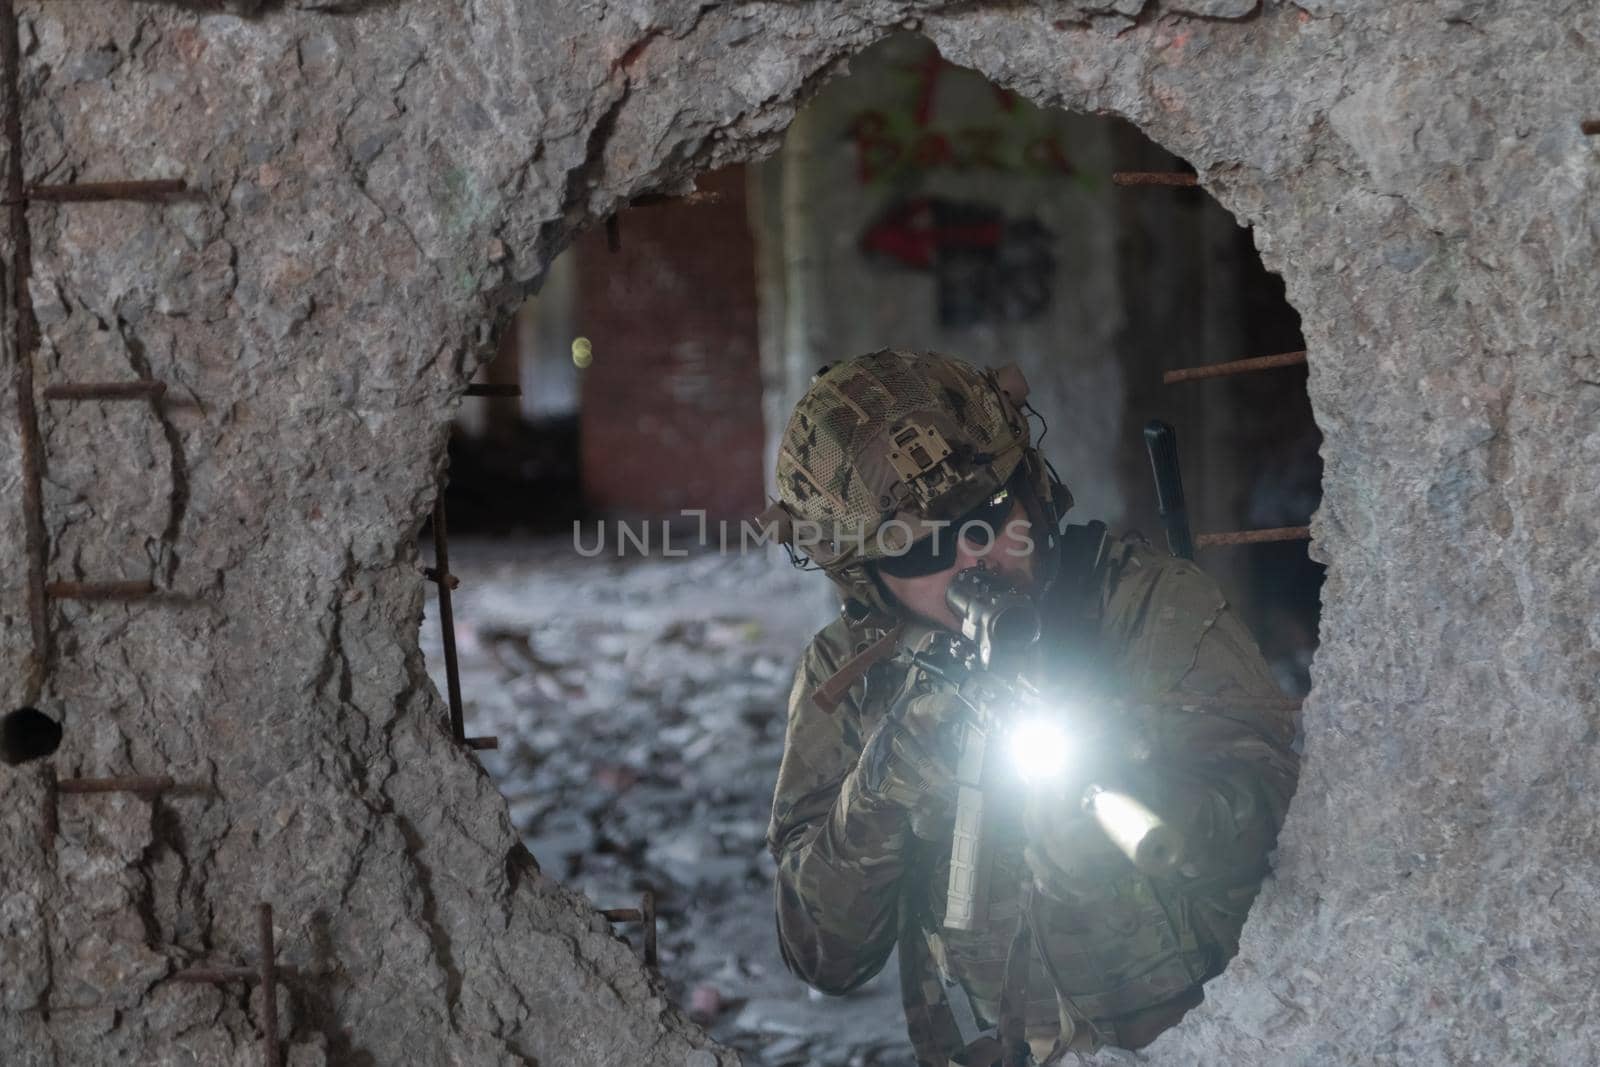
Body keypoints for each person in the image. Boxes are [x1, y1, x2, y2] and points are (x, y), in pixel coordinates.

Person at [755, 349, 1300, 1066]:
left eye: (987, 515)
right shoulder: (850, 671)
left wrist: (1149, 801)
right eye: (920, 553)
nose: (971, 561)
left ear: (1031, 489)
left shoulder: (1150, 605)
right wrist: (882, 790)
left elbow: (1283, 827)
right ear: (866, 576)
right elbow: (823, 957)